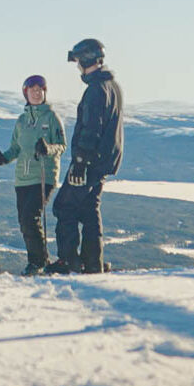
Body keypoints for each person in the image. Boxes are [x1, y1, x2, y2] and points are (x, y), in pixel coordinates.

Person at [46, 39, 123, 275]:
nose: (77, 66)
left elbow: (91, 129)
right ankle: (93, 262)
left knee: (64, 206)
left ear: (86, 60)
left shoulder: (96, 90)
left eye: (78, 61)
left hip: (88, 162)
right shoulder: (113, 86)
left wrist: (80, 164)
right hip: (103, 162)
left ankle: (69, 261)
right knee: (90, 209)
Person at [0, 75, 66, 275]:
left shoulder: (51, 117)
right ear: (26, 93)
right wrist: (1, 158)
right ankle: (38, 260)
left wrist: (48, 149)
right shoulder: (22, 121)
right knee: (24, 220)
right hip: (22, 179)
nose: (37, 93)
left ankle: (38, 262)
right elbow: (15, 148)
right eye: (32, 90)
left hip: (43, 176)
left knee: (30, 217)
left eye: (40, 89)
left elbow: (62, 146)